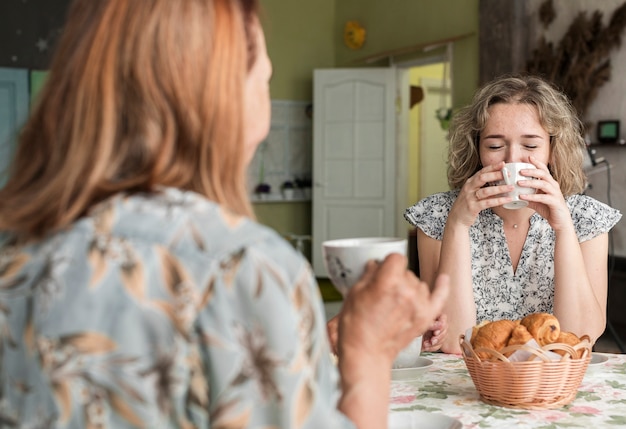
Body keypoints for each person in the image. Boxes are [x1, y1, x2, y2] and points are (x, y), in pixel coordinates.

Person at [0, 0, 449, 428]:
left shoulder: (15, 255)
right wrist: (369, 354)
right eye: (264, 81)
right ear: (223, 100)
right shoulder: (242, 269)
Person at [404, 74, 621, 354]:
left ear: (552, 151)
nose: (511, 160)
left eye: (530, 145)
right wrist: (457, 225)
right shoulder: (438, 216)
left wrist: (564, 228)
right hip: (463, 386)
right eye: (495, 146)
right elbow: (451, 341)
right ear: (477, 150)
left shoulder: (586, 219)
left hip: (550, 387)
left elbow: (579, 336)